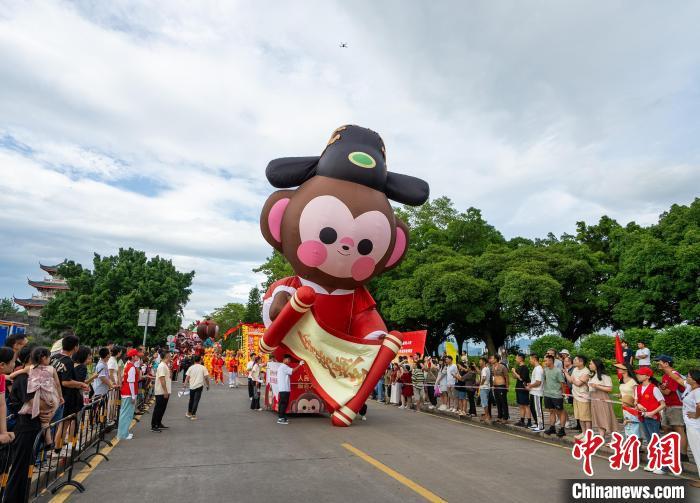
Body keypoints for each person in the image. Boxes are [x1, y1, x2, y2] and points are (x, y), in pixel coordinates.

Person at [5, 346, 41, 501]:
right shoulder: (24, 378)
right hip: (24, 427)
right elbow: (32, 404)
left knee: (26, 467)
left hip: (29, 426)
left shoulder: (28, 376)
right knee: (20, 468)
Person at [51, 334, 89, 448]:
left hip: (52, 395)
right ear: (75, 347)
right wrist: (81, 384)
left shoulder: (54, 358)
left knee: (56, 424)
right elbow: (65, 382)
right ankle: (58, 447)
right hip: (65, 396)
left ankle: (55, 446)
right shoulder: (68, 361)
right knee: (64, 423)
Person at [19, 347, 63, 447]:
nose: (50, 360)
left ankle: (47, 441)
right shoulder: (51, 369)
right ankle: (49, 441)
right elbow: (57, 385)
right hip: (50, 397)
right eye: (49, 358)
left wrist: (9, 376)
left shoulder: (30, 368)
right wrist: (60, 396)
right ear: (43, 358)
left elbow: (18, 372)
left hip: (37, 398)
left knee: (43, 419)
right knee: (47, 419)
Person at [656, 355, 689, 463]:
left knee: (679, 428)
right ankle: (670, 449)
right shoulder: (665, 376)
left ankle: (683, 454)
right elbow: (665, 389)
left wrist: (656, 388)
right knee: (666, 427)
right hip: (668, 405)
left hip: (676, 405)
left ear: (666, 363)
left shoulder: (674, 374)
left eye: (659, 362)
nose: (657, 363)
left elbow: (667, 392)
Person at [587, 358, 618, 438]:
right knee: (598, 416)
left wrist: (597, 386)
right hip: (594, 397)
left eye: (591, 364)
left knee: (606, 415)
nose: (589, 365)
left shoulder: (605, 377)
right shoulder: (593, 376)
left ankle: (614, 435)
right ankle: (601, 435)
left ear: (596, 365)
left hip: (602, 397)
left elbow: (609, 389)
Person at [634, 367, 665, 442]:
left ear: (648, 376)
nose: (638, 375)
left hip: (653, 418)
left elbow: (663, 404)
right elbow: (635, 402)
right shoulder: (637, 388)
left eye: (641, 374)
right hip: (642, 417)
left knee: (654, 438)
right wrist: (638, 405)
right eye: (637, 374)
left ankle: (656, 452)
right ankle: (652, 452)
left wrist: (652, 413)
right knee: (648, 438)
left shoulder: (654, 388)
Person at [681, 369, 700, 488]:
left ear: (694, 379)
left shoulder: (697, 391)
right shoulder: (690, 388)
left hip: (694, 425)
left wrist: (696, 415)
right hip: (691, 424)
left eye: (688, 376)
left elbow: (699, 405)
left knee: (698, 452)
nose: (686, 378)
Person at [566, 355, 592, 440]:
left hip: (584, 396)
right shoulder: (575, 370)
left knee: (586, 417)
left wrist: (576, 380)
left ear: (581, 362)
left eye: (575, 360)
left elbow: (578, 384)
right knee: (579, 416)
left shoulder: (586, 371)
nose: (574, 361)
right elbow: (571, 380)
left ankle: (588, 435)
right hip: (576, 396)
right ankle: (583, 432)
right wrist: (566, 373)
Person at [118, 348, 141, 439]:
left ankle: (124, 433)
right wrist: (133, 396)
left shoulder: (129, 365)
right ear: (132, 357)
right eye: (136, 355)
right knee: (126, 414)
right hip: (129, 392)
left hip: (127, 392)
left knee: (126, 413)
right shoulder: (131, 367)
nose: (137, 356)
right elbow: (131, 382)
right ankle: (123, 434)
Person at [614, 362, 641, 439]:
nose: (618, 369)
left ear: (626, 369)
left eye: (620, 368)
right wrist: (620, 395)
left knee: (633, 424)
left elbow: (637, 394)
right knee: (627, 424)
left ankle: (635, 443)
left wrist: (636, 404)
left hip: (632, 406)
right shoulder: (621, 380)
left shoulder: (633, 381)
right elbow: (623, 391)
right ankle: (629, 443)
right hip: (624, 405)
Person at [542, 354, 566, 437]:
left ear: (551, 361)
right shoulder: (545, 370)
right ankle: (552, 428)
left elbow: (562, 383)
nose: (544, 362)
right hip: (548, 394)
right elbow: (544, 380)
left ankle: (562, 429)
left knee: (560, 412)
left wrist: (563, 394)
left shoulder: (558, 371)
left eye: (546, 360)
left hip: (557, 395)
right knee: (551, 411)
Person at [277, 355, 303, 424]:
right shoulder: (283, 367)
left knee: (283, 403)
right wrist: (299, 365)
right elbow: (292, 371)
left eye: (289, 360)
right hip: (284, 388)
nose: (289, 361)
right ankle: (281, 418)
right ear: (284, 359)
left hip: (283, 388)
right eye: (288, 359)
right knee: (283, 403)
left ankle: (282, 416)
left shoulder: (283, 366)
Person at [151, 351, 172, 432]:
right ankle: (154, 425)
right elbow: (162, 379)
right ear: (166, 356)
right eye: (169, 355)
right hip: (161, 391)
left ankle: (158, 423)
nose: (171, 356)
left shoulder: (165, 365)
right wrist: (165, 391)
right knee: (158, 408)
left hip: (164, 391)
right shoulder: (162, 366)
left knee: (162, 408)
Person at [185, 354, 210, 419]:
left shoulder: (191, 367)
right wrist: (208, 385)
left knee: (191, 400)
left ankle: (189, 413)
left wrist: (185, 384)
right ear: (200, 360)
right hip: (199, 386)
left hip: (192, 386)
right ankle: (193, 415)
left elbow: (187, 377)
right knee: (196, 400)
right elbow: (206, 377)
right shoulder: (203, 367)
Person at [0, 347, 16, 445]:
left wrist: (3, 432)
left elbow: (1, 405)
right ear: (2, 365)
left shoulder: (1, 378)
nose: (14, 365)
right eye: (13, 361)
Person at [512, 353, 531, 427]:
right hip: (518, 387)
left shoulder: (524, 367)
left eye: (516, 357)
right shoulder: (518, 367)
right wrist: (514, 372)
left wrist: (514, 372)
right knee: (520, 405)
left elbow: (521, 378)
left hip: (523, 388)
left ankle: (529, 421)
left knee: (526, 405)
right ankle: (522, 420)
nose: (515, 359)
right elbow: (515, 377)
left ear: (520, 358)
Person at [527, 354, 544, 432]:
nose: (529, 361)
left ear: (534, 359)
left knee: (538, 409)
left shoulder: (538, 369)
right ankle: (537, 423)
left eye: (530, 359)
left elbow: (538, 382)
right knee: (533, 408)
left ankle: (541, 426)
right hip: (533, 392)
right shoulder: (536, 368)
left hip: (537, 392)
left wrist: (530, 385)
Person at [490, 354, 509, 423]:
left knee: (503, 402)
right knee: (498, 402)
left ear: (496, 359)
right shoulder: (492, 367)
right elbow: (493, 377)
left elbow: (507, 376)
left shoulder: (502, 367)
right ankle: (499, 416)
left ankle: (505, 417)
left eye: (492, 358)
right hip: (495, 386)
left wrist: (507, 386)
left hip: (502, 386)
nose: (491, 360)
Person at [478, 356, 491, 423]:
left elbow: (484, 377)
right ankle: (486, 415)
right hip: (487, 387)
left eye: (480, 361)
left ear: (484, 362)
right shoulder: (487, 368)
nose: (479, 362)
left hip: (484, 387)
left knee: (484, 403)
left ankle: (487, 416)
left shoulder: (484, 369)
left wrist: (481, 384)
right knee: (485, 402)